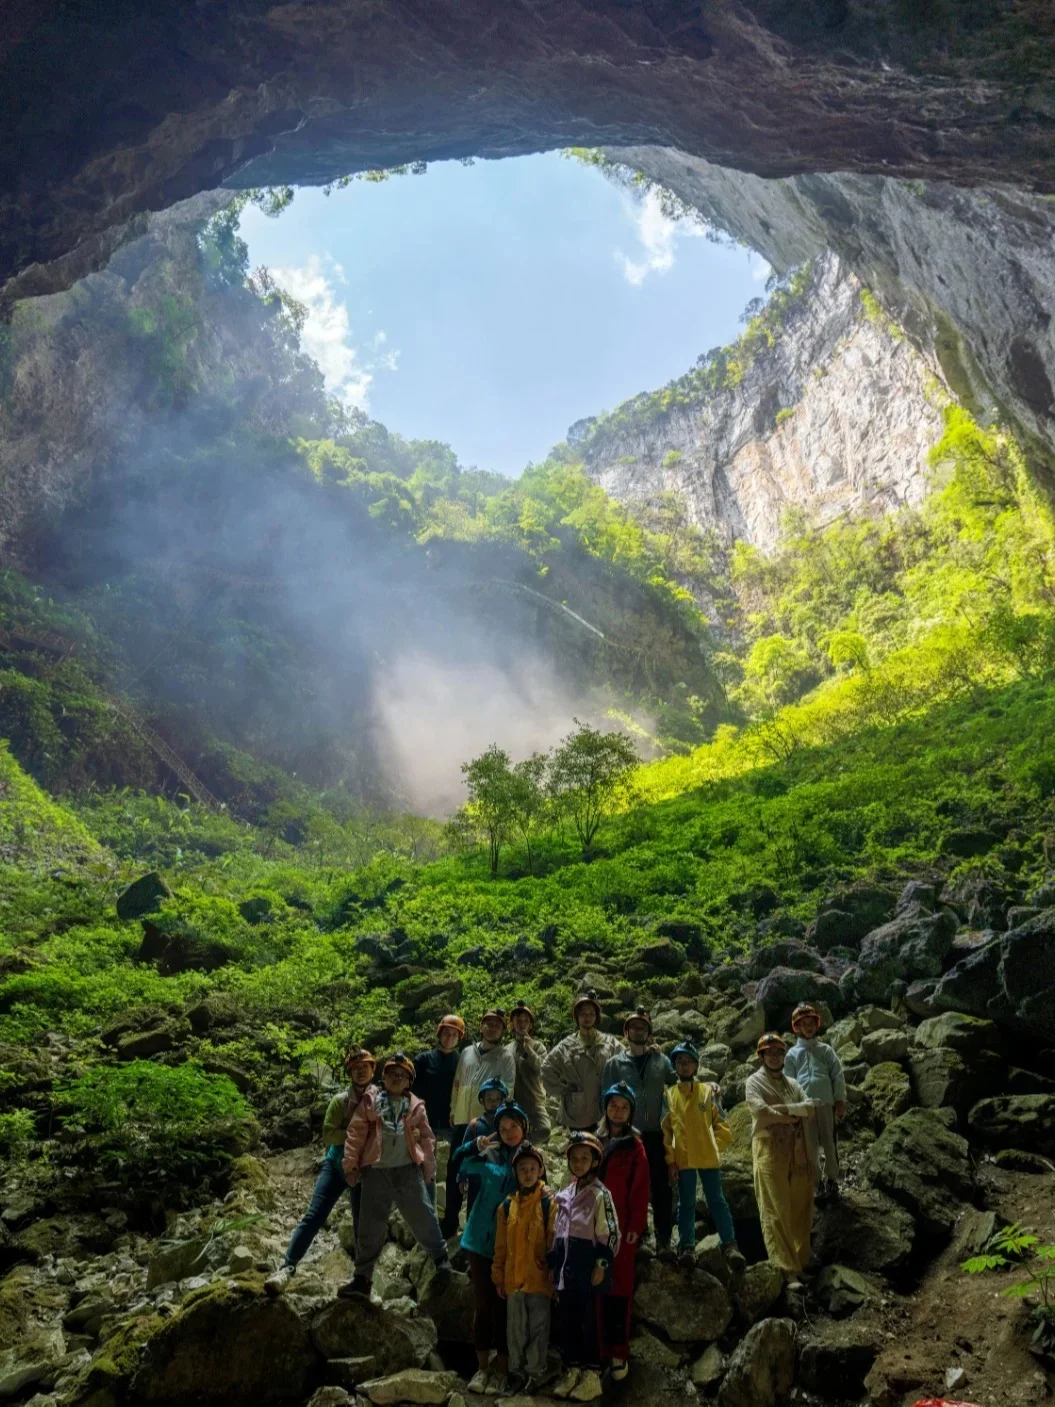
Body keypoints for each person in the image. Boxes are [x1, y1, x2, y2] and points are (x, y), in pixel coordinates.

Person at [264, 1045, 377, 1296]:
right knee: (314, 1215)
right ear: (349, 1073)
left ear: (373, 1068)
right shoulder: (340, 1101)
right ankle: (287, 1268)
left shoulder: (381, 1100)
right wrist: (360, 1134)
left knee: (363, 1225)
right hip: (336, 1165)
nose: (360, 1072)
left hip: (365, 1170)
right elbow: (328, 1135)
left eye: (364, 1067)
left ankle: (364, 1281)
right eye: (355, 1068)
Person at [340, 1052, 453, 1297]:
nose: (396, 1078)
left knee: (423, 1214)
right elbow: (356, 1132)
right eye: (392, 1074)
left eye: (402, 1076)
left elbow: (427, 1138)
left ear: (409, 1081)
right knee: (370, 1224)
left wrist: (429, 1168)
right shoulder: (371, 1100)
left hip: (407, 1170)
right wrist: (351, 1164)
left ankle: (441, 1258)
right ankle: (362, 1279)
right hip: (375, 1171)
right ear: (384, 1076)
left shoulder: (416, 1106)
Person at [459, 1098, 530, 1395]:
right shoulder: (489, 1156)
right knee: (484, 1304)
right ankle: (482, 1369)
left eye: (514, 1126)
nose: (509, 1131)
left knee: (505, 1308)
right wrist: (475, 1146)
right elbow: (461, 1163)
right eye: (503, 1127)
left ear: (524, 1128)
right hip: (478, 1240)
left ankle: (502, 1371)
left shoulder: (530, 1160)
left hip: (511, 1246)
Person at [662, 1041, 746, 1273]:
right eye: (680, 1061)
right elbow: (666, 1132)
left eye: (688, 1061)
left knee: (717, 1200)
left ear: (696, 1065)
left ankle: (730, 1245)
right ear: (675, 1066)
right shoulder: (668, 1095)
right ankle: (686, 1247)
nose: (684, 1065)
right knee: (686, 1203)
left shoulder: (708, 1092)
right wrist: (671, 1160)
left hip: (708, 1157)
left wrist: (715, 1147)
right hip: (683, 1158)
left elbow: (722, 1124)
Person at [551, 1131, 620, 1403]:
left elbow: (610, 1235)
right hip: (565, 1274)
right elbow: (557, 1235)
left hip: (588, 1270)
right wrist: (552, 1267)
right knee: (567, 1323)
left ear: (594, 1161)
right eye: (574, 1158)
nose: (579, 1163)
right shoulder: (564, 1195)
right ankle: (572, 1370)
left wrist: (601, 1264)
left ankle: (591, 1376)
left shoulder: (600, 1194)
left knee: (588, 1323)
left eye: (585, 1158)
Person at [602, 1007, 677, 1254]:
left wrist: (709, 1088)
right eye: (633, 1027)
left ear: (649, 1033)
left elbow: (679, 1083)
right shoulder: (615, 1063)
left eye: (642, 1027)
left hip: (656, 1132)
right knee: (633, 1186)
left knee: (661, 1186)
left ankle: (664, 1238)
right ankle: (640, 1235)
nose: (637, 1031)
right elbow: (606, 1097)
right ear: (626, 1032)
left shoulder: (661, 1060)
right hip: (627, 1134)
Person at [745, 1032, 818, 1282]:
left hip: (797, 1152)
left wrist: (784, 1110)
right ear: (761, 1055)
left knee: (800, 1206)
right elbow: (759, 1110)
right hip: (769, 1152)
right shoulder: (753, 1082)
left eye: (778, 1052)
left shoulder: (792, 1083)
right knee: (775, 1210)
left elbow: (809, 1107)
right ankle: (787, 1271)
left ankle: (800, 1262)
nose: (775, 1057)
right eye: (769, 1052)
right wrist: (791, 1117)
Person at [492, 1142, 557, 1395]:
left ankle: (535, 1372)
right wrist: (498, 1276)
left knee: (539, 1328)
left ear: (540, 1170)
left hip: (540, 1280)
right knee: (515, 1328)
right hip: (514, 1281)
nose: (528, 1173)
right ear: (516, 1173)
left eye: (532, 1168)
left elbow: (554, 1241)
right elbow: (500, 1247)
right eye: (522, 1169)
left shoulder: (549, 1203)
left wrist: (554, 1273)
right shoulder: (507, 1207)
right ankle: (516, 1372)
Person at [443, 1009, 516, 1238]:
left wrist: (503, 1120)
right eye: (488, 1023)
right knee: (455, 1169)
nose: (492, 1027)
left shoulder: (505, 1057)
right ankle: (450, 1222)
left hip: (488, 1124)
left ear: (503, 1030)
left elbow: (509, 1089)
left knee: (484, 1174)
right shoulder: (466, 1052)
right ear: (481, 1026)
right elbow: (457, 1083)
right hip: (464, 1121)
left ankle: (483, 1227)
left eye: (497, 1025)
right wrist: (454, 1110)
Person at [596, 1082, 649, 1382]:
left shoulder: (635, 1145)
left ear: (630, 1112)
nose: (618, 1111)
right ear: (606, 1107)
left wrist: (635, 1227)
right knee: (594, 1287)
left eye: (624, 1107)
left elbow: (640, 1189)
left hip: (621, 1228)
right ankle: (596, 1349)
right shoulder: (595, 1139)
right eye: (613, 1105)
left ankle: (617, 1352)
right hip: (592, 1226)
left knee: (618, 1288)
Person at [782, 1002, 846, 1204]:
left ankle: (833, 1179)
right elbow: (788, 1082)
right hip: (805, 1107)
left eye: (811, 1023)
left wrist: (840, 1099)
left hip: (826, 1103)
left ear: (817, 1025)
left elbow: (837, 1075)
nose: (808, 1027)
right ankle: (816, 1183)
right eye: (803, 1024)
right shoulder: (792, 1054)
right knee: (809, 1147)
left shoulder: (826, 1050)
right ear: (797, 1028)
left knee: (830, 1142)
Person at [542, 992, 623, 1133]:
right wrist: (562, 1089)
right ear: (577, 1017)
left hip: (604, 1108)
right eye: (583, 1014)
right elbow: (546, 1069)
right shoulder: (566, 1045)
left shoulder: (609, 1042)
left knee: (604, 1148)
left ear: (596, 1017)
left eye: (591, 1013)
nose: (587, 1017)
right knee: (580, 1150)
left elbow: (627, 1062)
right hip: (577, 1110)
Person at [414, 1014, 465, 1209]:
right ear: (439, 1033)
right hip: (426, 1123)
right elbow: (407, 1089)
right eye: (446, 1033)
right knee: (427, 1169)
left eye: (454, 1034)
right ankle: (428, 1211)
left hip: (452, 1122)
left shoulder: (462, 1062)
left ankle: (455, 1206)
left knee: (460, 1161)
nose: (449, 1038)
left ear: (459, 1038)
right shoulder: (423, 1060)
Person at [507, 1000, 551, 1141]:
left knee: (545, 1129)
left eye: (525, 1021)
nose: (521, 1024)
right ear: (512, 1024)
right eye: (518, 1020)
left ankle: (524, 1141)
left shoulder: (538, 1046)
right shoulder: (507, 1049)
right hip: (513, 1101)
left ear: (530, 1025)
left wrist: (529, 1049)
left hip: (534, 1100)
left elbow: (542, 1069)